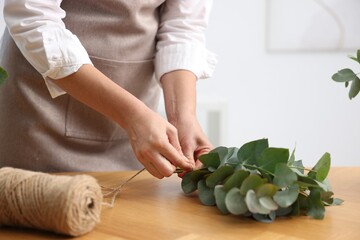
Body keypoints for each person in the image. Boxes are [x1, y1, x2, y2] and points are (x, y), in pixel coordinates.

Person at [0, 0, 217, 179]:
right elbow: (33, 17)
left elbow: (183, 29)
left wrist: (182, 117)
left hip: (138, 117)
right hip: (40, 109)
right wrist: (132, 116)